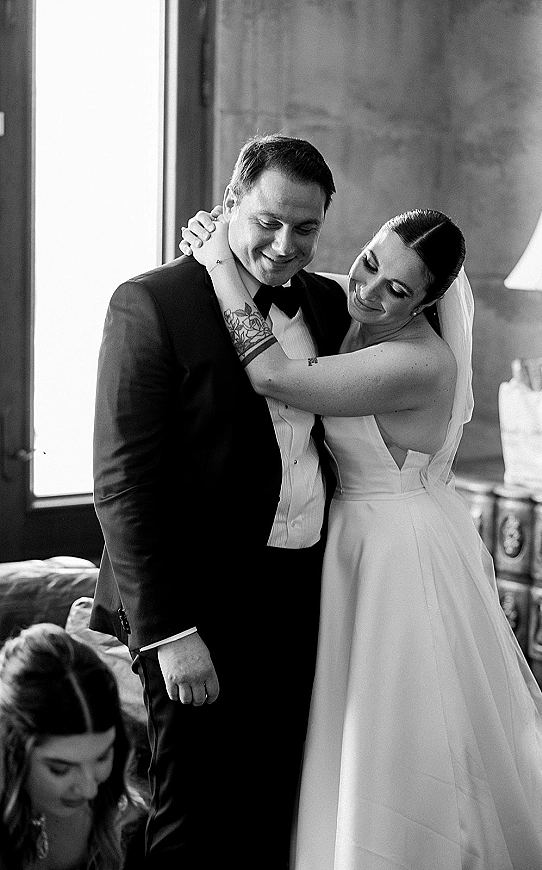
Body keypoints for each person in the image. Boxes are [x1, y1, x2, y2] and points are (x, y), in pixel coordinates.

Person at [181, 208, 542, 869]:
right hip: (352, 536)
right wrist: (226, 236)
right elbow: (291, 273)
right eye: (368, 263)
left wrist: (218, 262)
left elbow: (276, 376)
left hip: (397, 548)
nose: (367, 291)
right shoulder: (355, 302)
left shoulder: (418, 362)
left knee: (396, 723)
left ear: (427, 303)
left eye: (396, 290)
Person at [90, 133, 351, 868]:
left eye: (306, 228)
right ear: (230, 202)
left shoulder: (328, 304)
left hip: (300, 593)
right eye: (267, 220)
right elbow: (121, 481)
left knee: (276, 803)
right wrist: (170, 633)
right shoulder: (152, 302)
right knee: (192, 818)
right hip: (194, 604)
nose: (284, 245)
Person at [0, 622, 144, 870]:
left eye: (102, 757)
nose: (90, 790)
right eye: (60, 769)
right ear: (11, 752)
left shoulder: (125, 817)